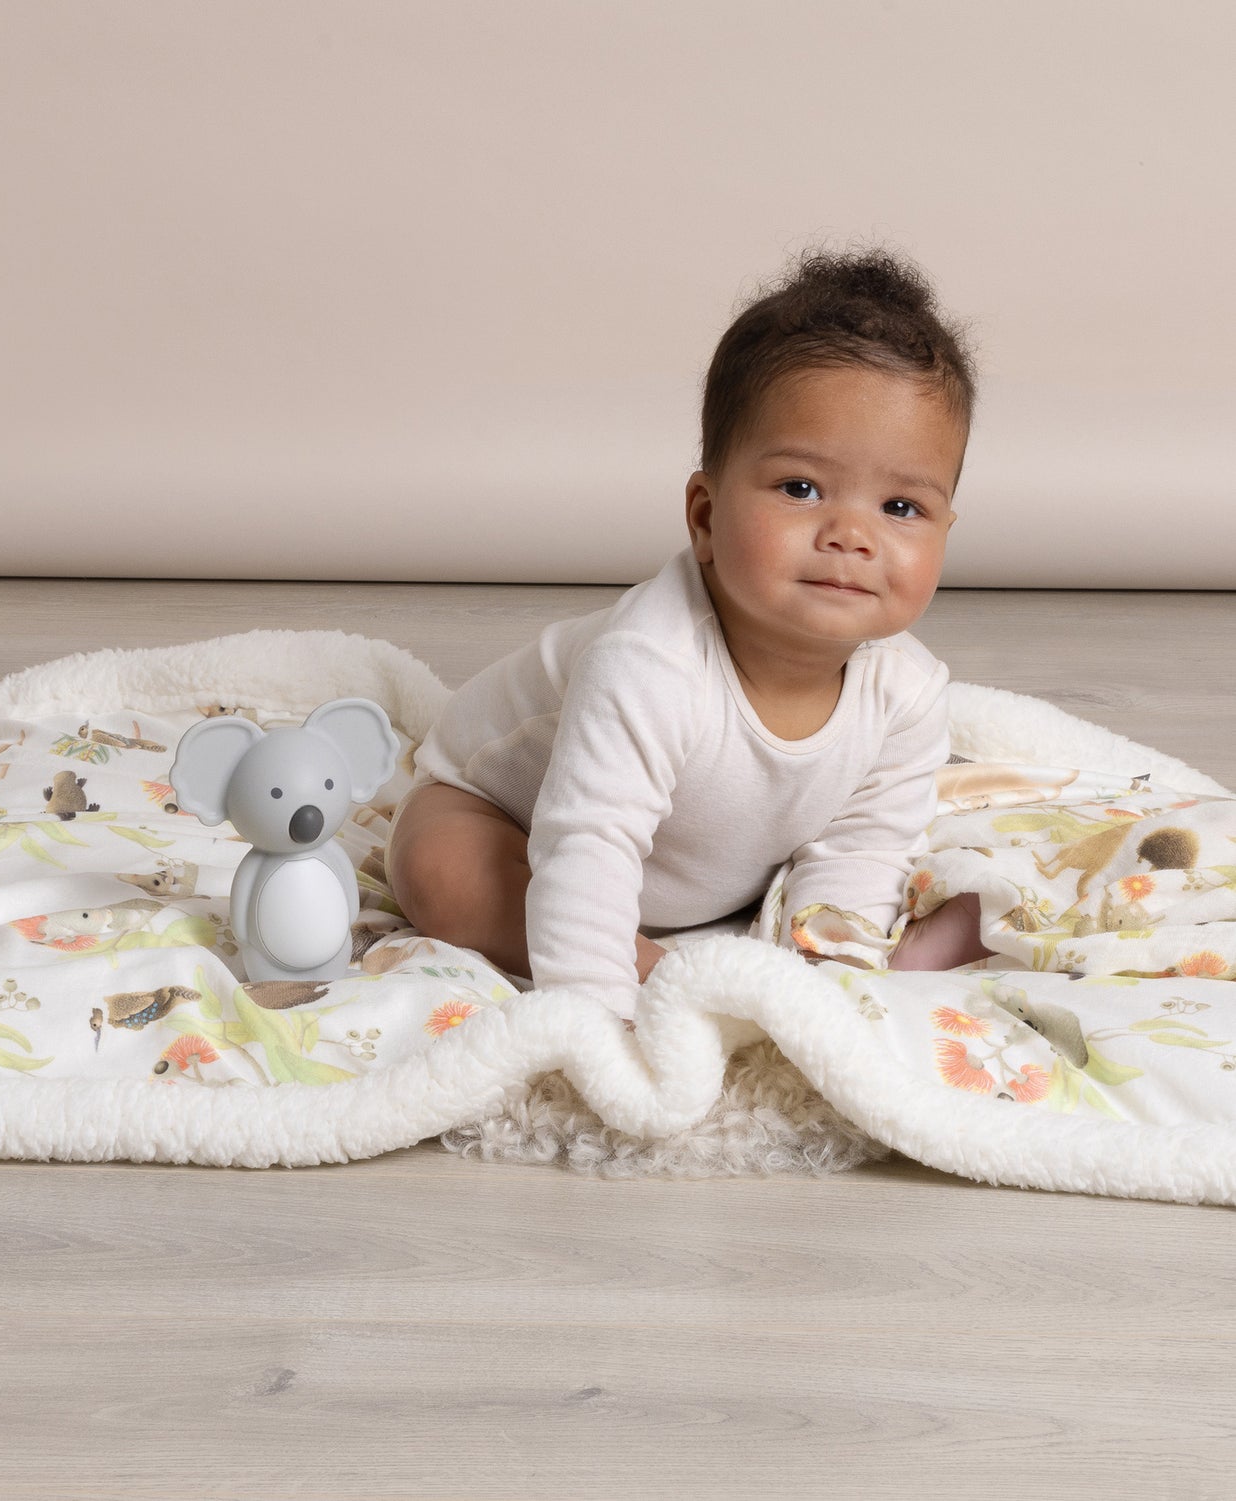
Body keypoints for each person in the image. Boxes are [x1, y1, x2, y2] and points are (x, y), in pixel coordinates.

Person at [385, 246, 995, 1020]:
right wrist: (602, 1021)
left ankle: (774, 981)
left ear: (945, 525)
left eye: (901, 508)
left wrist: (837, 983)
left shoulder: (906, 696)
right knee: (442, 872)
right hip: (511, 819)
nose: (851, 533)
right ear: (705, 516)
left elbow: (862, 851)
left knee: (896, 882)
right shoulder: (650, 663)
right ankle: (665, 977)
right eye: (801, 489)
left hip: (699, 868)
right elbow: (587, 848)